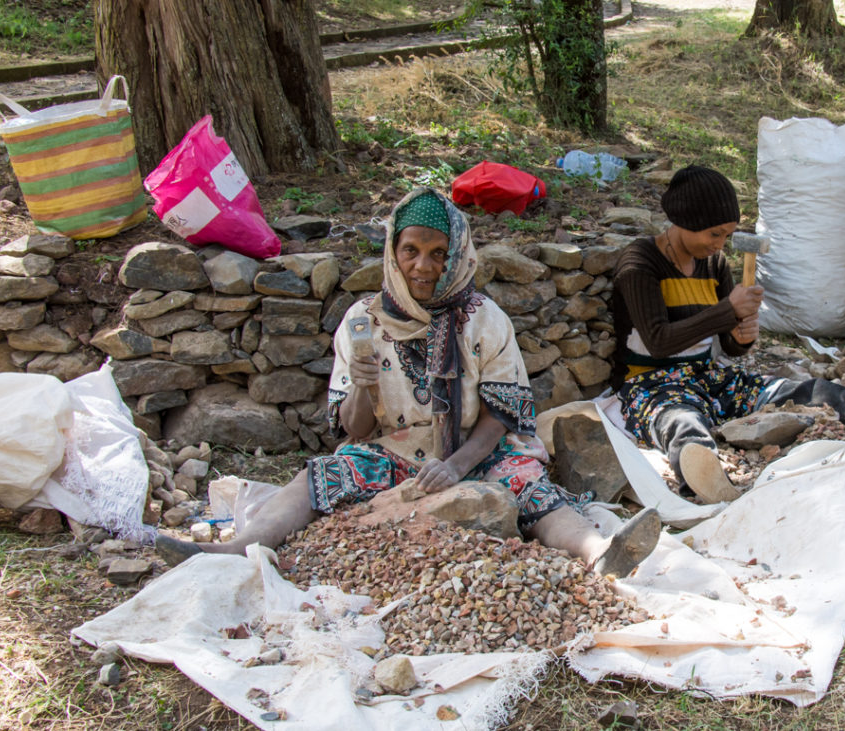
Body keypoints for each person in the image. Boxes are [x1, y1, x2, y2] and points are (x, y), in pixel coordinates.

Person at [157, 187, 660, 577]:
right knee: (316, 480)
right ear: (393, 252)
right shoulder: (363, 321)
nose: (423, 266)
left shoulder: (482, 319)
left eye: (439, 253)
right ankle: (233, 550)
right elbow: (353, 430)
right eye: (411, 250)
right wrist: (360, 383)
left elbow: (501, 413)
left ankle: (599, 553)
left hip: (477, 449)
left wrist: (456, 465)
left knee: (530, 490)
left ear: (457, 255)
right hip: (393, 451)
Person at [611, 165, 845, 504]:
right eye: (714, 234)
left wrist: (740, 336)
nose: (720, 245)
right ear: (685, 221)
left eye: (727, 236)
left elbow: (727, 342)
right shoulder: (640, 262)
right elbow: (658, 341)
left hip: (708, 377)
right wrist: (728, 310)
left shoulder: (713, 266)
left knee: (805, 389)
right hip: (652, 383)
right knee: (682, 422)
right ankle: (705, 482)